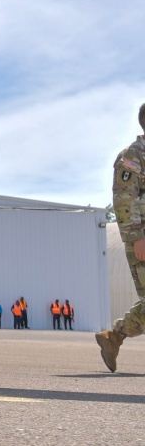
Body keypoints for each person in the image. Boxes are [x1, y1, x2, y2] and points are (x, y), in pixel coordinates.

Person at [96, 103, 145, 372]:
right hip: (142, 236)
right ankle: (114, 336)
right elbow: (124, 198)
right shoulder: (133, 155)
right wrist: (136, 237)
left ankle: (113, 337)